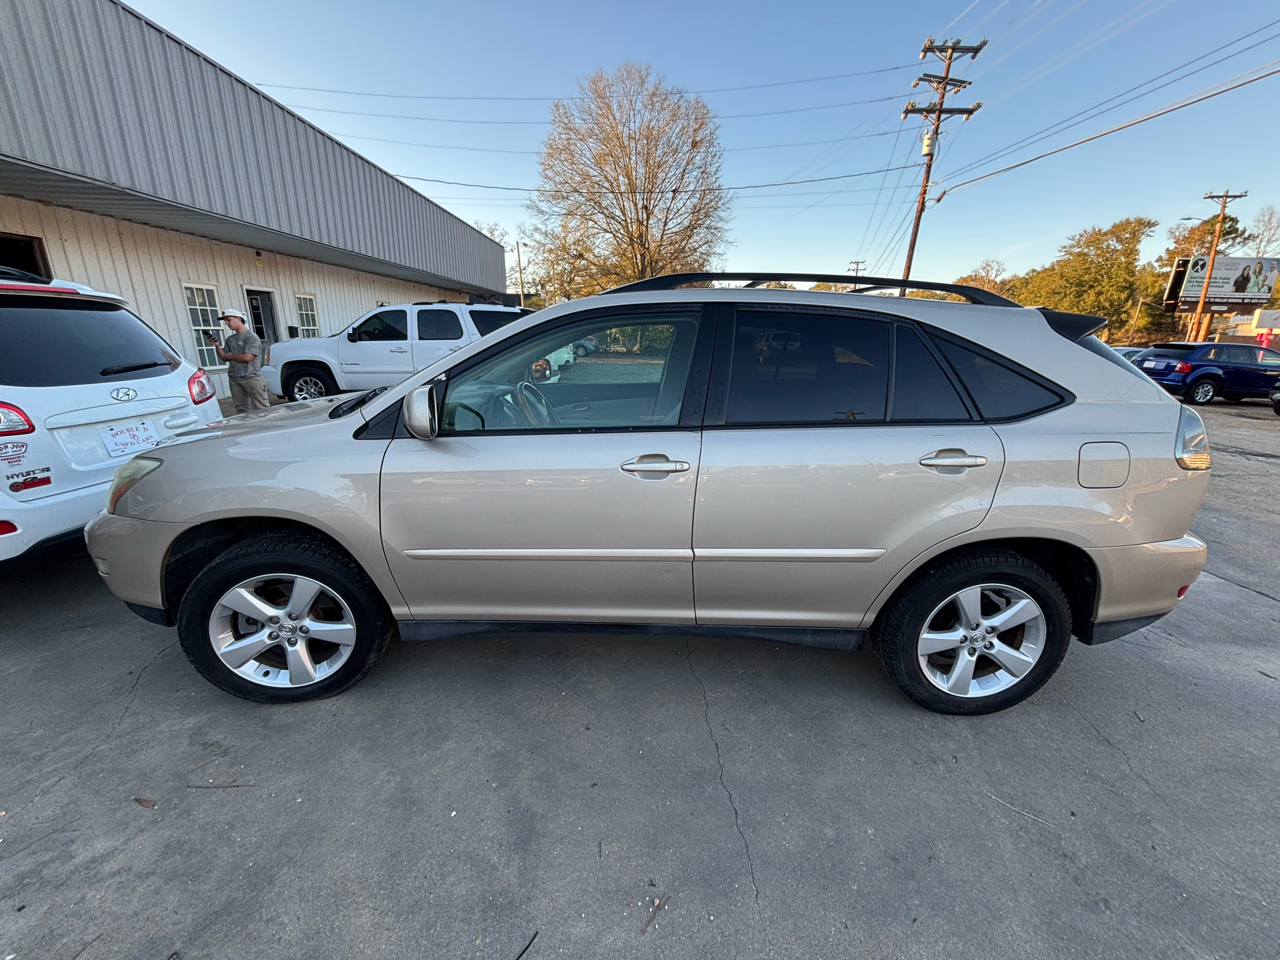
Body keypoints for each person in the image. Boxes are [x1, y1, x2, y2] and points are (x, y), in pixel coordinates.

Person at [206, 310, 269, 413]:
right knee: (241, 409)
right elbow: (224, 357)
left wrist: (231, 356)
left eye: (228, 320)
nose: (226, 323)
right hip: (235, 378)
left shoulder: (251, 337)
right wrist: (217, 345)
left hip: (252, 377)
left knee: (262, 407)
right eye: (225, 321)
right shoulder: (230, 339)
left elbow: (248, 357)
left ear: (238, 319)